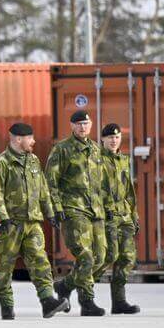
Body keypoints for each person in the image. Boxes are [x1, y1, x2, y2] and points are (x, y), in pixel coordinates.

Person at [0, 122, 71, 320]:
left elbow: (42, 189)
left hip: (33, 222)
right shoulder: (1, 163)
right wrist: (3, 217)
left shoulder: (33, 160)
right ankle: (6, 304)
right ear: (18, 139)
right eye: (30, 138)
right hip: (10, 223)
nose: (33, 142)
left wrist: (50, 213)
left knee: (40, 261)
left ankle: (47, 301)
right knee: (4, 265)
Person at [47, 110, 107, 316]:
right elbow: (51, 182)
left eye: (86, 124)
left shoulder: (96, 150)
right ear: (72, 126)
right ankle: (87, 302)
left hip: (96, 210)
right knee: (86, 256)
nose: (83, 127)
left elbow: (103, 183)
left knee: (101, 257)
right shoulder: (62, 150)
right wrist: (56, 207)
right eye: (79, 124)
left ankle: (65, 286)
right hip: (73, 209)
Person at [99, 123, 140, 314]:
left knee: (127, 257)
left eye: (116, 137)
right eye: (110, 138)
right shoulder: (96, 161)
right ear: (103, 140)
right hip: (106, 216)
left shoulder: (124, 160)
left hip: (124, 216)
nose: (114, 141)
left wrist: (134, 215)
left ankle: (119, 301)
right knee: (108, 256)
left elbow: (129, 191)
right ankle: (74, 285)